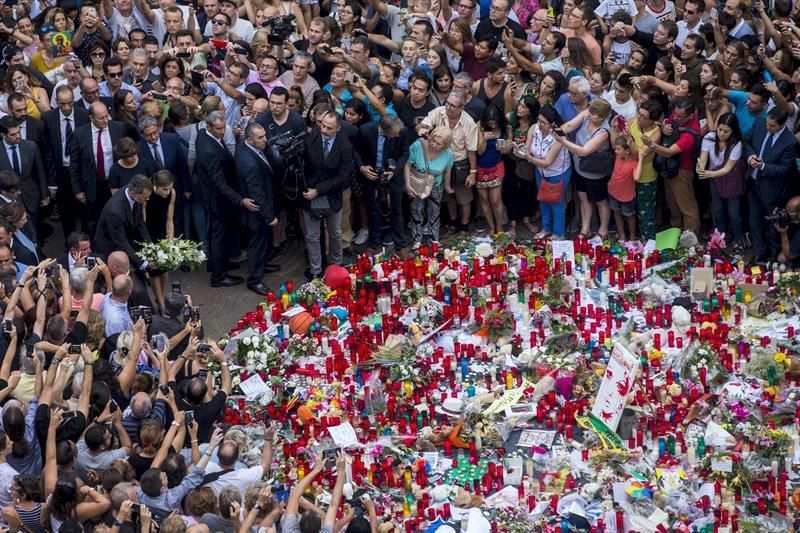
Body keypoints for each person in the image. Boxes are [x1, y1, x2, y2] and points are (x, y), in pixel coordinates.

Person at [195, 111, 254, 288]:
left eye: (223, 128)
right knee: (218, 235)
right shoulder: (209, 151)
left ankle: (218, 264)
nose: (222, 132)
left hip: (216, 196)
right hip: (218, 199)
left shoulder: (203, 136)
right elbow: (219, 183)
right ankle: (219, 276)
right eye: (219, 129)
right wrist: (240, 200)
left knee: (219, 234)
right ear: (209, 127)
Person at [302, 110, 354, 280]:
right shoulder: (312, 138)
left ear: (338, 128)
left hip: (332, 195)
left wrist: (320, 189)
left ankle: (336, 265)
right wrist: (311, 190)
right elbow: (305, 167)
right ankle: (315, 269)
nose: (324, 130)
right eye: (322, 125)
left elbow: (343, 176)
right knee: (312, 235)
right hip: (311, 193)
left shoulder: (345, 146)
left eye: (329, 128)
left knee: (335, 233)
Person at [554, 98, 613, 238]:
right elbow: (568, 126)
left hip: (594, 172)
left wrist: (563, 141)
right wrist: (556, 131)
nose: (590, 115)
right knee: (583, 197)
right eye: (590, 111)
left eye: (594, 114)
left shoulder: (603, 131)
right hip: (579, 168)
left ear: (603, 117)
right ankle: (585, 228)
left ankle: (603, 229)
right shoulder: (588, 114)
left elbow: (584, 151)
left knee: (600, 201)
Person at [746, 107, 797, 262]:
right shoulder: (759, 123)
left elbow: (785, 168)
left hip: (772, 189)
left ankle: (773, 255)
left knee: (772, 224)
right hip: (753, 182)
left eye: (772, 126)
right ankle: (758, 252)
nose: (768, 127)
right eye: (767, 123)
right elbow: (746, 141)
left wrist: (763, 167)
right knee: (754, 220)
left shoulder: (790, 141)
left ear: (782, 125)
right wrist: (750, 156)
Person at [69, 101, 126, 236]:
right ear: (91, 118)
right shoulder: (80, 134)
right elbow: (75, 164)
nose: (106, 120)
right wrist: (78, 190)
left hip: (113, 184)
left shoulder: (118, 128)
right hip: (91, 185)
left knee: (115, 218)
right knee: (91, 222)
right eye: (101, 118)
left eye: (107, 116)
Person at [235, 123, 279, 295]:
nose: (265, 140)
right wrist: (269, 217)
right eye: (260, 138)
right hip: (257, 212)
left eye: (265, 135)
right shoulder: (250, 163)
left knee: (263, 242)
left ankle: (263, 264)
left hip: (260, 206)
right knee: (257, 244)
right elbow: (257, 193)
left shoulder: (244, 147)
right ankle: (255, 279)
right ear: (249, 139)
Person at [42, 86, 90, 241]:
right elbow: (48, 152)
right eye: (63, 104)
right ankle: (70, 244)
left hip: (81, 170)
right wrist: (52, 182)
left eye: (70, 103)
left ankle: (86, 244)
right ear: (56, 101)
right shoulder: (48, 118)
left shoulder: (84, 115)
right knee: (65, 211)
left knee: (85, 211)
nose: (67, 107)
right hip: (61, 171)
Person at [355, 115, 408, 254]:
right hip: (372, 173)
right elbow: (356, 151)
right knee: (373, 210)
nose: (398, 135)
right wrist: (361, 167)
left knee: (397, 210)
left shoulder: (402, 131)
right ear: (385, 130)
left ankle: (400, 244)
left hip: (392, 174)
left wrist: (395, 171)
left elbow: (404, 153)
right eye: (394, 133)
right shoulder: (366, 130)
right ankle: (374, 243)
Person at [697, 113, 746, 250]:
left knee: (734, 213)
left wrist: (709, 173)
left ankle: (738, 240)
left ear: (733, 131)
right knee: (718, 210)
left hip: (730, 179)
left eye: (726, 131)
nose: (722, 134)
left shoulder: (737, 144)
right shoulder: (709, 137)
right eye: (720, 129)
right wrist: (700, 167)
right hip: (713, 177)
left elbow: (727, 168)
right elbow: (703, 157)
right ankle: (719, 237)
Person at [525, 105, 571, 238]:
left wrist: (529, 158)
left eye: (543, 123)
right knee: (543, 200)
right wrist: (520, 151)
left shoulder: (559, 135)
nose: (539, 124)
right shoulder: (534, 128)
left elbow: (547, 162)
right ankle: (546, 228)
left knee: (556, 202)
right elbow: (527, 149)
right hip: (540, 171)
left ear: (553, 124)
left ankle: (558, 233)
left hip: (557, 172)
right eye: (539, 120)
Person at [405, 126, 454, 249]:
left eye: (438, 144)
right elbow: (407, 165)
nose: (434, 145)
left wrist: (447, 187)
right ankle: (417, 240)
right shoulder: (417, 146)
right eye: (433, 140)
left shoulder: (448, 154)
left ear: (445, 145)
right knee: (416, 210)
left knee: (434, 212)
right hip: (417, 183)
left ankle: (434, 239)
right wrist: (407, 184)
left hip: (436, 185)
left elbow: (447, 171)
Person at [93, 174, 153, 273]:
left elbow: (140, 223)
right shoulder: (115, 211)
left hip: (125, 242)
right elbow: (121, 242)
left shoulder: (133, 193)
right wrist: (143, 264)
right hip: (111, 249)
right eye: (145, 197)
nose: (147, 199)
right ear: (133, 193)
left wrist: (151, 247)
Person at [0, 116, 47, 229]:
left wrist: (44, 195)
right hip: (8, 202)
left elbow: (40, 171)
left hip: (31, 197)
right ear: (3, 135)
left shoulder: (31, 146)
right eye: (13, 134)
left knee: (35, 230)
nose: (18, 136)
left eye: (18, 132)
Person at [144, 170, 177, 315]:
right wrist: (147, 244)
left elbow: (169, 219)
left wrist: (170, 241)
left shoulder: (172, 193)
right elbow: (143, 221)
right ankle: (161, 304)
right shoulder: (147, 196)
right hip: (148, 232)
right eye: (164, 189)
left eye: (170, 188)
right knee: (155, 270)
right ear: (155, 186)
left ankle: (161, 298)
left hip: (162, 231)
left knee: (165, 266)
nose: (167, 191)